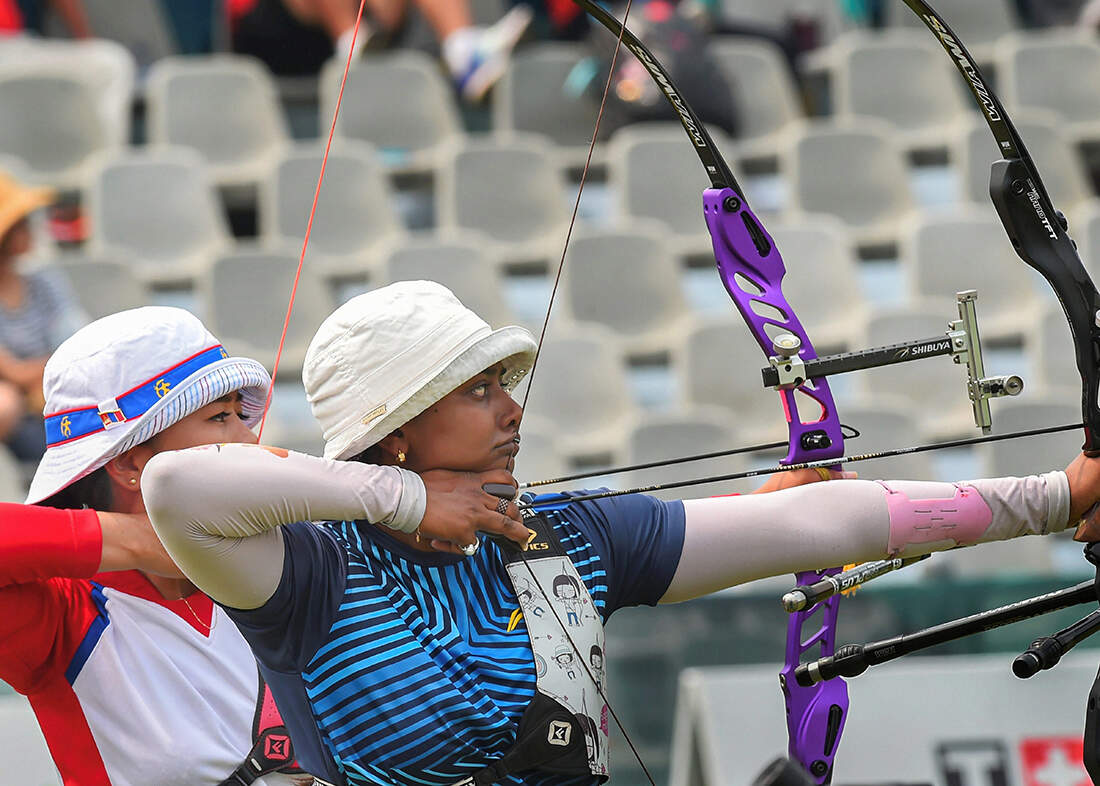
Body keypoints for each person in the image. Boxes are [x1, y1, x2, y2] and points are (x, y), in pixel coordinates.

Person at [144, 280, 1100, 786]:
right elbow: (178, 484)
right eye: (478, 392)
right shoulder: (309, 571)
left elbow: (821, 518)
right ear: (400, 430)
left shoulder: (562, 539)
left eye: (504, 385)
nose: (511, 411)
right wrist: (404, 504)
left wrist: (1054, 498)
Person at [2, 303, 524, 786]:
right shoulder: (65, 615)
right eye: (220, 418)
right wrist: (135, 542)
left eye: (240, 414)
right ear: (131, 464)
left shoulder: (294, 565)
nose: (250, 439)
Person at [230, 0, 532, 101]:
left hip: (372, 40)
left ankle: (464, 52)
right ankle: (352, 43)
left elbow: (390, 17)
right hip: (273, 37)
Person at [0, 171, 85, 462]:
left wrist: (38, 375)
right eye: (19, 224)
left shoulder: (45, 283)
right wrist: (46, 369)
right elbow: (14, 373)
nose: (29, 229)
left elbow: (78, 346)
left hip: (52, 398)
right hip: (17, 415)